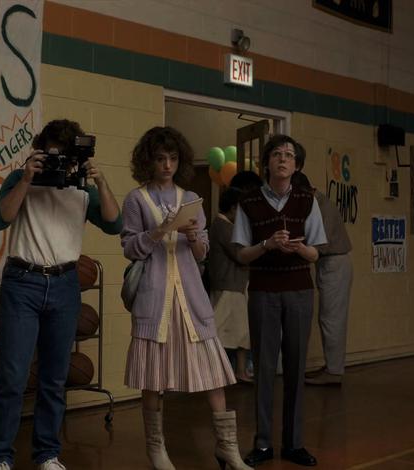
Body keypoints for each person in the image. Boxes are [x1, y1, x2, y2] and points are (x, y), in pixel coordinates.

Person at [0, 119, 123, 470]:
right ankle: (0, 456)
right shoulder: (21, 179)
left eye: (67, 158)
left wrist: (101, 180)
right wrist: (28, 177)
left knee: (54, 377)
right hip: (23, 281)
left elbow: (114, 224)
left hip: (65, 283)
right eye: (53, 156)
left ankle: (47, 452)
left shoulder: (81, 188)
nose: (61, 165)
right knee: (13, 376)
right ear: (41, 151)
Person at [121, 126, 251, 470]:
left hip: (191, 298)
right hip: (154, 298)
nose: (167, 165)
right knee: (154, 377)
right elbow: (130, 247)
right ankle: (156, 449)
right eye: (161, 158)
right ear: (148, 161)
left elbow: (201, 253)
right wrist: (162, 229)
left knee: (213, 373)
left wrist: (194, 237)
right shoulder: (136, 199)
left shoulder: (191, 200)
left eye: (173, 158)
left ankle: (228, 448)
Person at [232, 135, 327, 467]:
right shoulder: (249, 201)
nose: (283, 160)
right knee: (265, 367)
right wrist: (267, 245)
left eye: (289, 155)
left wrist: (300, 248)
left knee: (296, 366)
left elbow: (316, 251)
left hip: (300, 289)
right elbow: (243, 254)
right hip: (262, 291)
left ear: (296, 165)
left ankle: (294, 443)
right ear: (267, 163)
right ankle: (262, 444)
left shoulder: (306, 200)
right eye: (276, 154)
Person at [289, 172, 354, 387]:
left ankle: (334, 371)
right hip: (330, 262)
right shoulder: (319, 201)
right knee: (328, 317)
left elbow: (321, 243)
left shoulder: (320, 206)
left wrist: (295, 245)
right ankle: (332, 366)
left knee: (331, 319)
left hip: (333, 261)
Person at [209, 187, 252, 382]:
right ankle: (217, 373)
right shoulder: (223, 226)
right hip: (228, 285)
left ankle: (240, 371)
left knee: (241, 333)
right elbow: (240, 254)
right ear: (233, 208)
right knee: (218, 332)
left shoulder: (224, 226)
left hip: (234, 285)